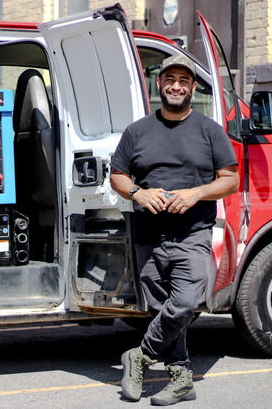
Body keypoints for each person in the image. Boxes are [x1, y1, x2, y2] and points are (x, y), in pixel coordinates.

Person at [109, 55, 239, 405]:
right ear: (159, 84)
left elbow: (230, 179)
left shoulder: (209, 130)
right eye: (170, 79)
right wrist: (139, 192)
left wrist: (196, 192)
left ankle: (138, 356)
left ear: (193, 88)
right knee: (162, 307)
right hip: (148, 234)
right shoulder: (137, 131)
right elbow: (118, 175)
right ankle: (181, 379)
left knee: (187, 302)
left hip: (192, 232)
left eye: (184, 80)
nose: (176, 85)